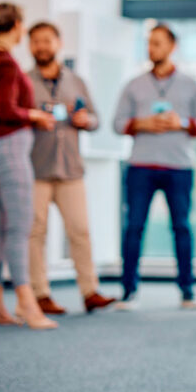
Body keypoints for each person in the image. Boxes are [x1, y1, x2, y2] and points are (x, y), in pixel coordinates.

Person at [112, 24, 196, 310]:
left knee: (181, 227)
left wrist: (180, 122)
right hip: (140, 167)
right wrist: (142, 123)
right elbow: (117, 124)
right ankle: (128, 291)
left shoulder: (192, 85)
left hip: (178, 167)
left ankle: (187, 291)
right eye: (149, 43)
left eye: (157, 43)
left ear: (172, 46)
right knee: (134, 227)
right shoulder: (133, 85)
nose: (151, 48)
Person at [26, 21, 115, 315]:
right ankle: (40, 294)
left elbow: (95, 118)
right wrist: (34, 118)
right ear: (30, 46)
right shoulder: (24, 82)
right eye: (36, 41)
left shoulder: (76, 81)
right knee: (35, 234)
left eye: (46, 40)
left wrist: (84, 121)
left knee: (80, 231)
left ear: (58, 43)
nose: (41, 46)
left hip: (70, 170)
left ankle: (89, 291)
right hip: (36, 168)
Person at [0, 2, 57, 330]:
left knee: (0, 225)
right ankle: (27, 303)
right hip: (9, 148)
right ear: (16, 25)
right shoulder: (8, 65)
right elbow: (4, 108)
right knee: (20, 226)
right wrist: (36, 114)